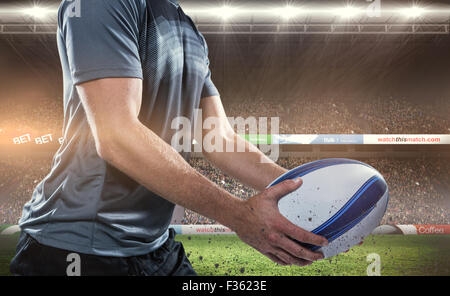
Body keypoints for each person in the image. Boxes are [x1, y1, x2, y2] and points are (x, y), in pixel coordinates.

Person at [10, 0, 327, 276]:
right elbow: (117, 135)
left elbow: (218, 137)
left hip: (155, 246)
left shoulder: (189, 30)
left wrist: (306, 190)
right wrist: (238, 215)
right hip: (75, 248)